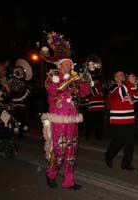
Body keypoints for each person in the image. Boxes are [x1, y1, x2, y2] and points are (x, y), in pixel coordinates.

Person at [40, 31, 91, 190]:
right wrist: (70, 80)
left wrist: (87, 78)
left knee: (72, 153)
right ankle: (51, 174)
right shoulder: (52, 78)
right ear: (59, 65)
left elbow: (86, 92)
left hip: (73, 120)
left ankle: (69, 181)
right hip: (59, 120)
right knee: (59, 151)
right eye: (66, 64)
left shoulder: (75, 79)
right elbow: (54, 91)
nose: (69, 66)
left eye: (70, 64)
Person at [104, 71, 138, 171]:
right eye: (120, 75)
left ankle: (126, 164)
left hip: (129, 119)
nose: (123, 76)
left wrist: (135, 85)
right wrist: (130, 83)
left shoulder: (128, 87)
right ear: (115, 78)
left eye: (123, 75)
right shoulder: (113, 88)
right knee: (119, 142)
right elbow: (121, 92)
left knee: (130, 143)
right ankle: (108, 155)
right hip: (118, 120)